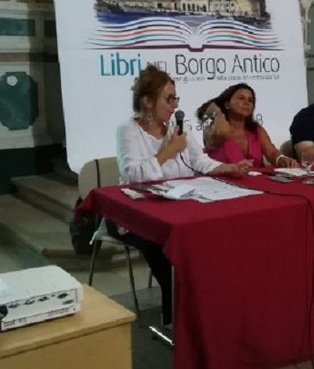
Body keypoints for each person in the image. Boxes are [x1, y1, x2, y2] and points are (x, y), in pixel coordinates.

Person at [114, 64, 252, 326]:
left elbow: (199, 161)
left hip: (177, 205)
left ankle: (207, 307)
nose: (174, 104)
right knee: (163, 245)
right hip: (136, 214)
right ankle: (176, 317)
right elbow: (133, 175)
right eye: (168, 98)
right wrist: (169, 149)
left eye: (175, 98)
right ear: (147, 101)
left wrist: (228, 167)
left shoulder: (175, 128)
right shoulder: (128, 131)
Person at [196, 83, 299, 168]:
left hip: (256, 183)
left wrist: (281, 159)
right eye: (241, 98)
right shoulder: (213, 128)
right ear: (227, 104)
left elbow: (271, 153)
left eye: (250, 100)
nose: (247, 103)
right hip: (221, 185)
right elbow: (223, 132)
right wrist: (218, 111)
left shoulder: (256, 130)